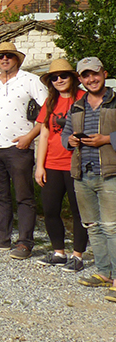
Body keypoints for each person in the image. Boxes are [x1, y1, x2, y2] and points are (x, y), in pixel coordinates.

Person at [0, 42, 47, 259]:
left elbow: (47, 111)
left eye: (9, 56)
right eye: (0, 56)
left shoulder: (30, 80)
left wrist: (29, 137)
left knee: (24, 196)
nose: (4, 59)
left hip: (18, 147)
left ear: (16, 59)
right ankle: (1, 237)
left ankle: (25, 242)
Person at [61, 57, 116, 299]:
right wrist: (70, 141)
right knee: (93, 226)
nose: (91, 79)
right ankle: (104, 273)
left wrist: (108, 139)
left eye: (94, 74)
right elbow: (65, 135)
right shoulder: (77, 106)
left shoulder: (114, 102)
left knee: (113, 228)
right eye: (85, 76)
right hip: (82, 172)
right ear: (80, 79)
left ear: (104, 74)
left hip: (110, 172)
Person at [34, 59, 86, 270]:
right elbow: (44, 134)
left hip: (76, 163)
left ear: (72, 78)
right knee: (50, 209)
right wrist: (39, 165)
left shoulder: (84, 98)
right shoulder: (50, 101)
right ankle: (58, 252)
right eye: (54, 78)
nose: (59, 80)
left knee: (78, 211)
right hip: (52, 163)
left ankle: (78, 255)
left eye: (63, 76)